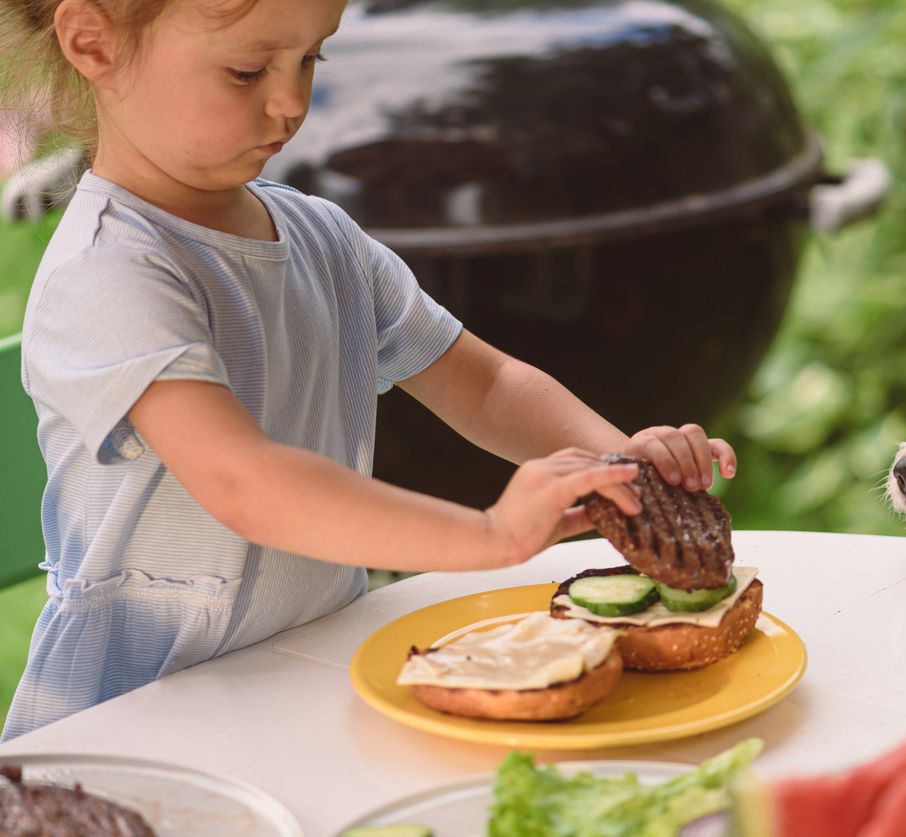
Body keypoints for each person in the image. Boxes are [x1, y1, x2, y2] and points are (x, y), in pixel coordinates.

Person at [0, 0, 736, 741]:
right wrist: (489, 535)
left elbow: (483, 385)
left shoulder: (322, 238)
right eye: (247, 71)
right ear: (94, 45)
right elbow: (243, 483)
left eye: (309, 59)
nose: (291, 102)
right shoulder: (109, 274)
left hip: (306, 675)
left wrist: (619, 466)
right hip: (142, 719)